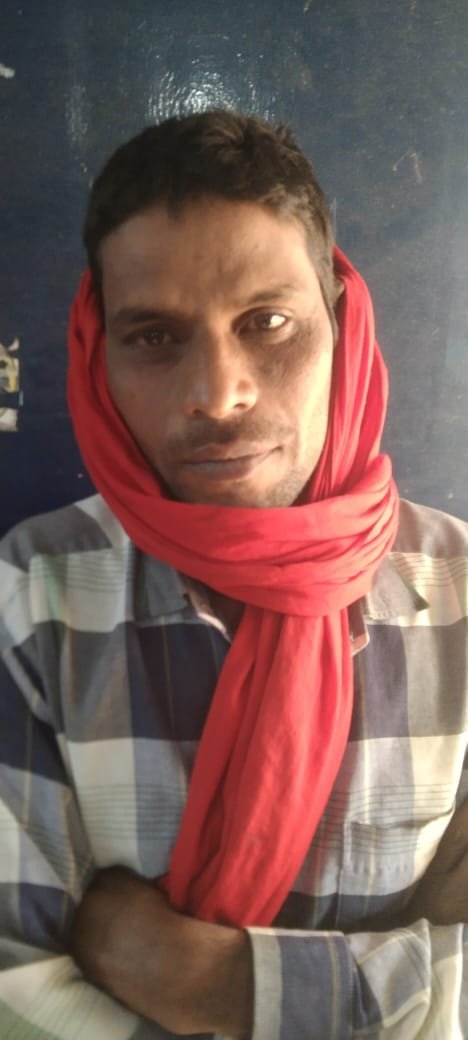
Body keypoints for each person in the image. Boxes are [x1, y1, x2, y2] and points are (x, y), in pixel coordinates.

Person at [0, 110, 467, 1039]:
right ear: (98, 357)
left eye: (268, 322)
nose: (219, 393)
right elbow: (21, 990)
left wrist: (194, 979)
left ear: (344, 325)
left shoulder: (459, 597)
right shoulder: (32, 597)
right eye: (154, 337)